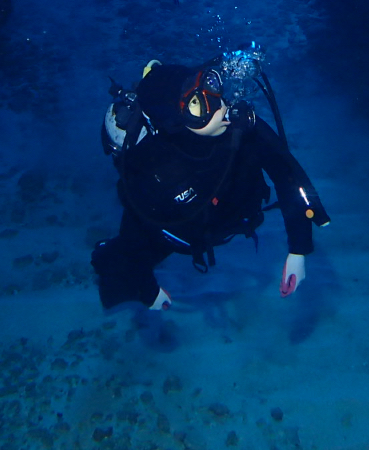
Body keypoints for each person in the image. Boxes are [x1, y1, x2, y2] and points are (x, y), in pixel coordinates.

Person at [91, 49, 330, 310]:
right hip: (179, 234)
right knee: (119, 266)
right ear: (176, 124)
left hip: (229, 217)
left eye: (212, 86)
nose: (220, 105)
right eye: (197, 104)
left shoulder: (242, 127)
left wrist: (299, 249)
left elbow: (287, 175)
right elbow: (134, 232)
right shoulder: (156, 169)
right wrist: (148, 292)